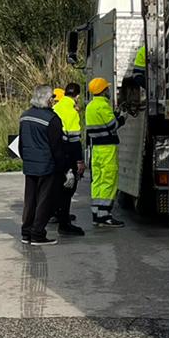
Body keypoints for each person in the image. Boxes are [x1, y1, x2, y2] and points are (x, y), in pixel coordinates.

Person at [17, 85, 69, 245]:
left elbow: (21, 143)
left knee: (30, 200)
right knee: (44, 200)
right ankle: (38, 234)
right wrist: (64, 168)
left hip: (30, 165)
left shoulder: (24, 116)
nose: (54, 100)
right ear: (47, 99)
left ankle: (26, 232)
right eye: (52, 97)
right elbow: (57, 147)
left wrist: (26, 159)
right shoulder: (52, 119)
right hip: (46, 166)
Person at [84, 77, 124, 228]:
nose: (108, 90)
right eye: (107, 88)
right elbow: (113, 125)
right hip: (107, 148)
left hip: (96, 149)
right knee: (109, 180)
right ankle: (105, 215)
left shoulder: (90, 106)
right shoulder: (103, 106)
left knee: (98, 181)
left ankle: (96, 213)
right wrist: (122, 117)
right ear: (103, 91)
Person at [51, 81, 86, 237]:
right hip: (67, 155)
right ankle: (64, 224)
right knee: (69, 188)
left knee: (58, 187)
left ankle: (60, 215)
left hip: (54, 154)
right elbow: (74, 140)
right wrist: (79, 161)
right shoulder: (72, 112)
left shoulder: (56, 107)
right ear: (77, 96)